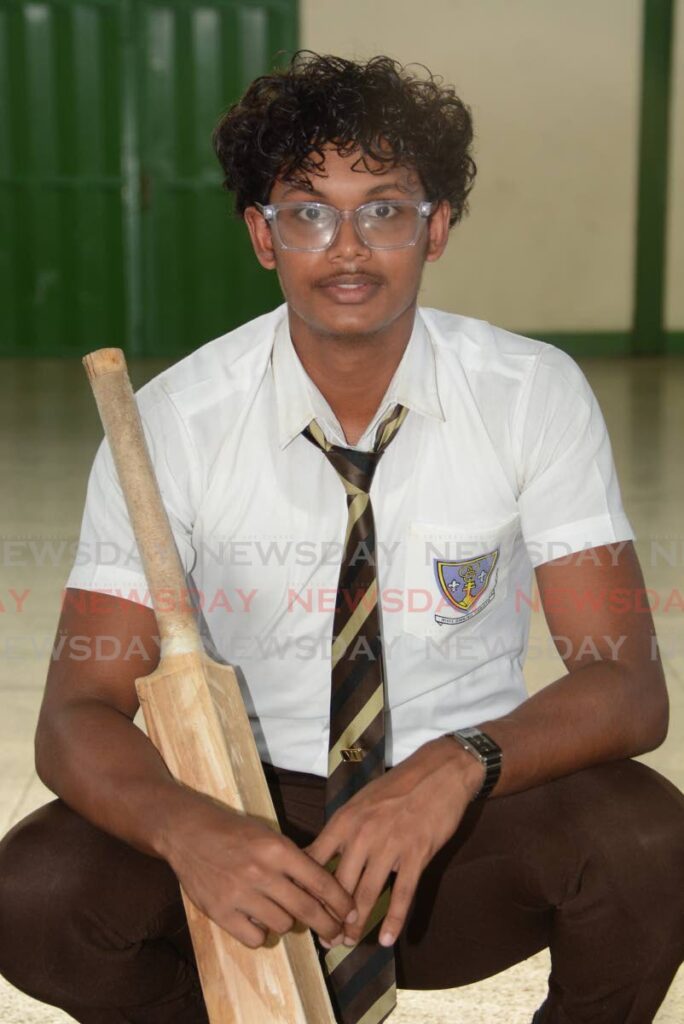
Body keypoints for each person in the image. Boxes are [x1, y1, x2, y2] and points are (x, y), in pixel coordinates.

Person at [0, 51, 683, 1024]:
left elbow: (627, 684)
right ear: (261, 234)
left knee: (651, 845)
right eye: (309, 210)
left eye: (387, 208)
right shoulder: (175, 421)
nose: (348, 246)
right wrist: (192, 827)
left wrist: (459, 764)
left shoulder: (532, 394)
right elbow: (76, 712)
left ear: (436, 227)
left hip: (456, 825)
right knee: (33, 892)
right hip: (250, 818)